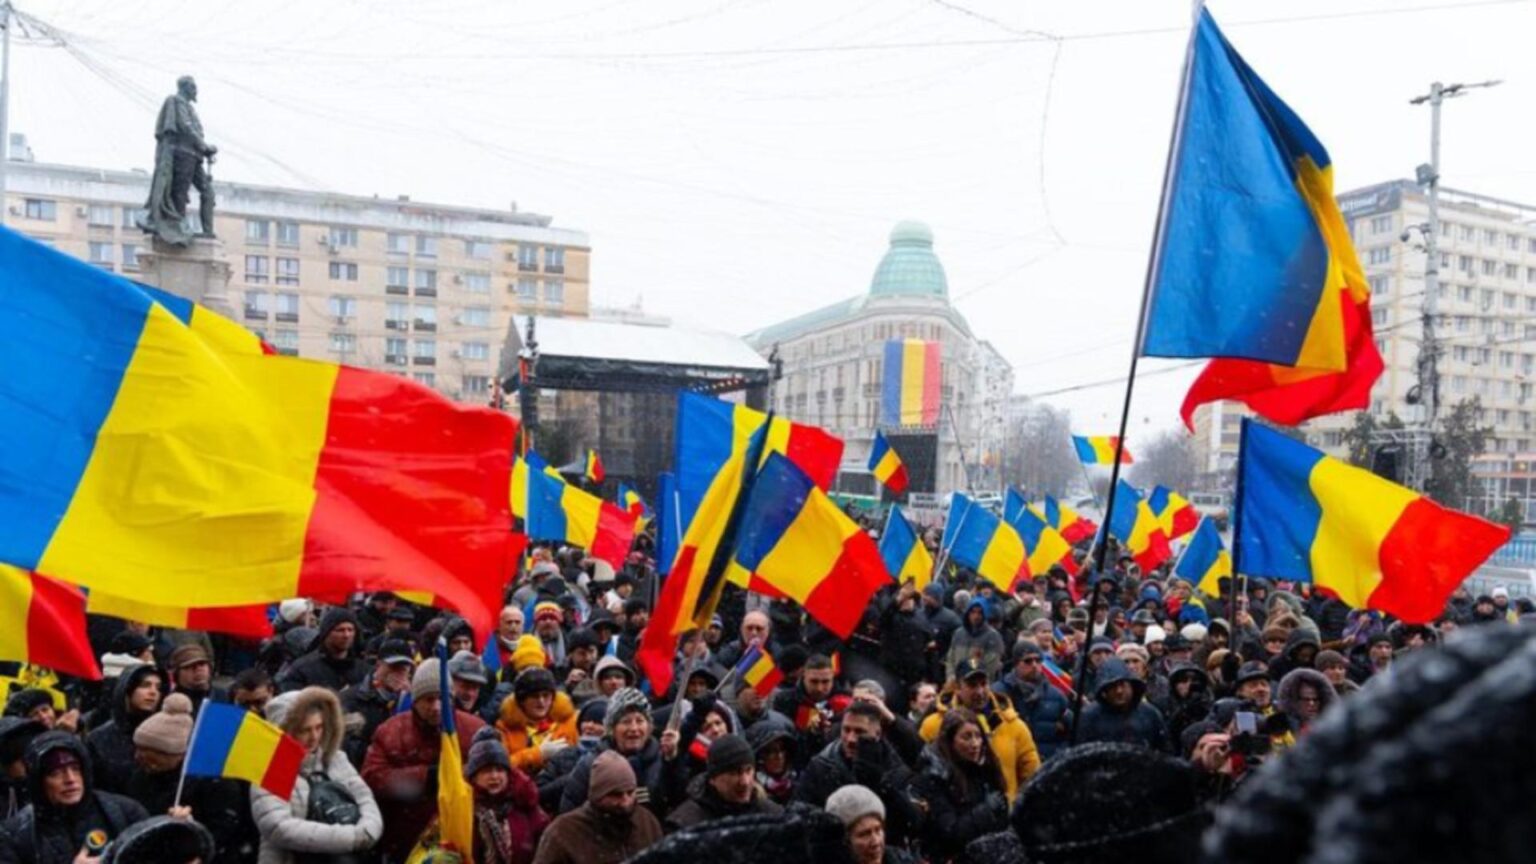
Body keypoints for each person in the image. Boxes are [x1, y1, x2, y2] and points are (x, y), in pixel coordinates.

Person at [361, 657, 485, 860]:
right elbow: (372, 777)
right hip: (405, 840)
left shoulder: (475, 730)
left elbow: (496, 774)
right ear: (415, 699)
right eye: (428, 699)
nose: (436, 707)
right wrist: (426, 777)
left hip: (463, 838)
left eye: (441, 698)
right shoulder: (391, 731)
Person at [251, 687, 383, 864]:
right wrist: (350, 838)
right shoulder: (269, 769)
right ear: (283, 732)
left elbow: (363, 796)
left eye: (319, 727)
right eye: (304, 730)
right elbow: (279, 827)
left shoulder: (335, 758)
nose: (314, 737)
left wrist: (369, 829)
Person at [123, 694, 254, 864]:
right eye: (139, 750)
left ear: (178, 754)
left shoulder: (216, 783)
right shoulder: (139, 778)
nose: (139, 758)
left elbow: (225, 831)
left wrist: (190, 834)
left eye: (152, 755)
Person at [0, 731, 150, 864]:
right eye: (55, 773)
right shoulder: (17, 835)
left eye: (75, 769)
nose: (70, 779)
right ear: (39, 781)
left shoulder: (126, 812)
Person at [793, 702, 920, 846]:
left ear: (877, 734)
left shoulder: (896, 769)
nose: (851, 739)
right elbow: (798, 811)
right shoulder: (821, 766)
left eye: (860, 732)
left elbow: (913, 822)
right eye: (846, 730)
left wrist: (880, 785)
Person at [919, 659, 1040, 801]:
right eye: (972, 685)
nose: (980, 691)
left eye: (983, 684)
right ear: (957, 687)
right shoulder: (933, 725)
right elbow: (922, 774)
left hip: (1003, 815)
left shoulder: (1014, 726)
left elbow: (1032, 776)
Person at [557, 688, 682, 819]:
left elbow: (676, 801)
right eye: (626, 721)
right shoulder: (590, 763)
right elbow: (569, 813)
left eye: (639, 721)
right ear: (612, 728)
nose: (634, 728)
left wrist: (671, 761)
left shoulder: (662, 759)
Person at [912, 709, 1010, 862]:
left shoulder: (985, 768)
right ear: (950, 741)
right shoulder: (934, 775)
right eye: (966, 737)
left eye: (978, 736)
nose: (975, 744)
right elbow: (950, 832)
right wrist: (985, 811)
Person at [533, 751, 661, 864]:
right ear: (598, 795)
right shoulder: (563, 832)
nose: (625, 801)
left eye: (630, 792)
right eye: (615, 795)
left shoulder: (647, 823)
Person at [464, 731, 549, 864]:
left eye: (499, 770)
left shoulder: (525, 805)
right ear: (474, 776)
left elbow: (545, 845)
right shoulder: (464, 810)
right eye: (486, 770)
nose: (494, 776)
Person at [664, 734, 782, 831]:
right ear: (713, 779)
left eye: (748, 770)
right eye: (734, 773)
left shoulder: (773, 816)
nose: (744, 782)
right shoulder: (685, 825)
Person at [85, 664, 164, 795]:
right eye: (145, 685)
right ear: (127, 690)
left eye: (158, 687)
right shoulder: (98, 738)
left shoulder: (165, 734)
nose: (153, 692)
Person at [339, 638, 415, 765]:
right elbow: (346, 747)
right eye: (393, 667)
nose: (397, 673)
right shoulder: (350, 699)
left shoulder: (413, 701)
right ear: (379, 665)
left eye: (403, 668)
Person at [992, 642, 1069, 761]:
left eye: (1038, 661)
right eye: (1028, 661)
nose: (1034, 665)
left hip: (1048, 764)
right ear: (1016, 664)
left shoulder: (1056, 696)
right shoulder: (999, 693)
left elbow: (1069, 734)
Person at [1075, 656, 1169, 752]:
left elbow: (1165, 751)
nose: (1119, 691)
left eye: (1123, 685)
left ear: (1132, 686)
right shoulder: (1089, 717)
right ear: (1104, 691)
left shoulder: (1150, 714)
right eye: (1112, 686)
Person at [495, 668, 578, 776]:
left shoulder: (570, 721)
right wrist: (538, 754)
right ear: (521, 701)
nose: (541, 701)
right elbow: (500, 768)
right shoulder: (505, 728)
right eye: (534, 696)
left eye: (546, 695)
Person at [276, 608, 367, 693]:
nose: (346, 635)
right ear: (326, 633)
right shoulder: (303, 668)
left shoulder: (363, 669)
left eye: (350, 630)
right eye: (340, 630)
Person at [825, 784, 914, 864]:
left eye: (878, 830)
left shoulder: (900, 859)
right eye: (864, 834)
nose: (876, 842)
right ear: (845, 841)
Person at [944, 600, 1005, 682]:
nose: (976, 616)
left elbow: (990, 668)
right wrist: (951, 677)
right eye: (972, 612)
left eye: (980, 613)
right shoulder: (958, 633)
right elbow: (951, 658)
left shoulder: (993, 636)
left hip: (978, 686)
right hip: (957, 684)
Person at [165, 644, 220, 715]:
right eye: (190, 666)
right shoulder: (171, 702)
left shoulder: (222, 696)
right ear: (177, 673)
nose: (198, 669)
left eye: (202, 664)